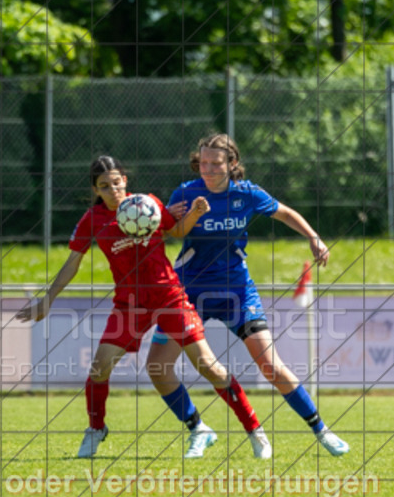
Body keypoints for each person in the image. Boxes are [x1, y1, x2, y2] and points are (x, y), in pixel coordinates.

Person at [16, 155, 272, 460]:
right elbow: (73, 262)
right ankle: (101, 429)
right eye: (104, 186)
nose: (113, 190)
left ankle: (255, 431)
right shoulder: (92, 220)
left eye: (116, 182)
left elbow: (176, 231)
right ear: (95, 190)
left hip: (169, 297)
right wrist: (48, 299)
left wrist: (193, 214)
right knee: (99, 369)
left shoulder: (147, 204)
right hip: (130, 305)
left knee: (209, 366)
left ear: (125, 179)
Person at [149, 133, 349, 457]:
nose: (209, 169)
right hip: (188, 292)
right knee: (158, 366)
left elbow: (284, 212)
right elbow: (172, 233)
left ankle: (321, 430)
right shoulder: (185, 193)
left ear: (232, 164)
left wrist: (313, 237)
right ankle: (198, 428)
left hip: (237, 292)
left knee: (270, 366)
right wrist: (190, 215)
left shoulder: (247, 193)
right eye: (203, 163)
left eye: (216, 163)